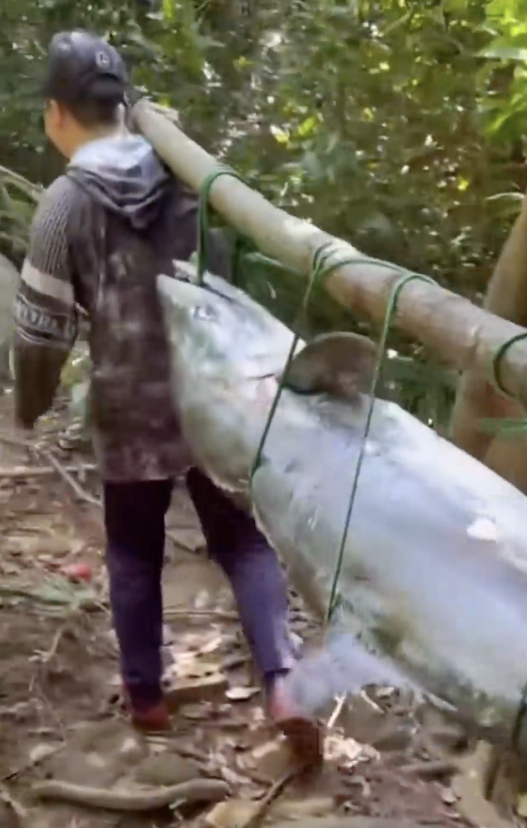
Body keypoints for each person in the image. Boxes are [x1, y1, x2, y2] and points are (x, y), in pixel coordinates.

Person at [13, 29, 320, 762]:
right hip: (214, 396)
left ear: (57, 114)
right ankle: (284, 682)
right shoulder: (187, 174)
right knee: (243, 542)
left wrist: (29, 406)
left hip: (128, 404)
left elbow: (39, 335)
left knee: (131, 552)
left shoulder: (62, 207)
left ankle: (147, 697)